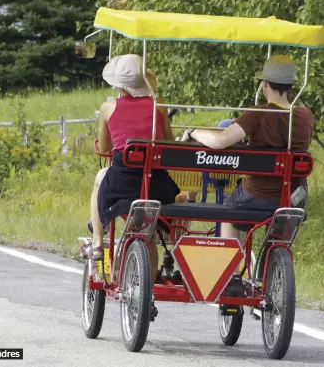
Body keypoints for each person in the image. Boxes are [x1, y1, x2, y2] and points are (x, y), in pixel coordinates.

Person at [181, 54, 314, 243]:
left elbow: (220, 141)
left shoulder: (257, 114)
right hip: (292, 196)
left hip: (257, 194)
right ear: (291, 86)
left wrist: (193, 131)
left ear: (265, 84)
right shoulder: (305, 116)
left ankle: (233, 270)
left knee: (230, 213)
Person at [90, 54, 181, 318]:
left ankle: (98, 241)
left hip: (122, 183)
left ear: (119, 83)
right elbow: (168, 143)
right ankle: (147, 293)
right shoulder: (158, 105)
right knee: (149, 232)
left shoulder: (108, 107)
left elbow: (105, 148)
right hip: (156, 185)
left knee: (99, 179)